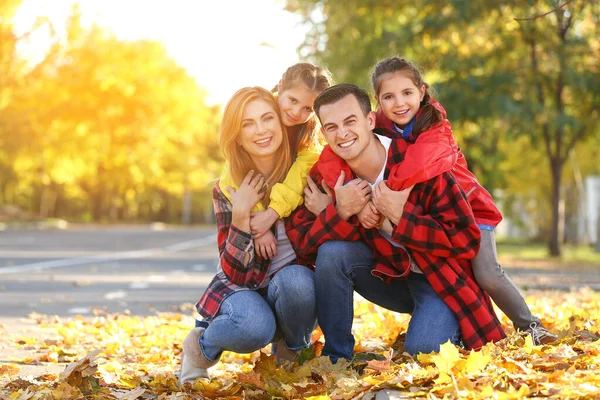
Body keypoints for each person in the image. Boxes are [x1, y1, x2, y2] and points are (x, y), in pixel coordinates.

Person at [286, 84, 505, 363]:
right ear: (323, 133)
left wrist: (403, 217)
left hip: (437, 280)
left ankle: (446, 325)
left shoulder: (418, 162)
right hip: (386, 274)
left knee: (424, 352)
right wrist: (338, 212)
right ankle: (336, 357)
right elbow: (302, 244)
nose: (342, 134)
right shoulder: (329, 177)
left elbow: (465, 239)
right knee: (333, 254)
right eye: (331, 127)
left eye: (350, 121)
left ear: (369, 120)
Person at [368, 56, 557, 345]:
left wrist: (385, 194)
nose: (399, 103)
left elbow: (418, 164)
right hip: (437, 218)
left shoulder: (436, 127)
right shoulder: (380, 128)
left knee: (487, 273)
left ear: (422, 91)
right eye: (388, 97)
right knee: (459, 279)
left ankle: (531, 326)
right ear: (378, 101)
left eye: (407, 93)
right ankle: (466, 329)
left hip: (471, 211)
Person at [179, 87, 317, 385]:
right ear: (237, 135)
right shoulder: (227, 187)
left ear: (282, 124)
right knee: (254, 326)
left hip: (289, 288)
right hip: (243, 287)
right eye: (248, 123)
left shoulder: (304, 172)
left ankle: (291, 353)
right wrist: (241, 217)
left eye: (267, 118)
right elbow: (235, 275)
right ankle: (199, 347)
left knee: (299, 281)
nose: (260, 130)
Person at [219, 63, 333, 260]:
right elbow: (235, 170)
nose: (297, 112)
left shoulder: (309, 133)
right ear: (280, 87)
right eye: (292, 100)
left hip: (282, 211)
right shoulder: (257, 110)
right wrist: (258, 220)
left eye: (308, 108)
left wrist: (271, 214)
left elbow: (299, 177)